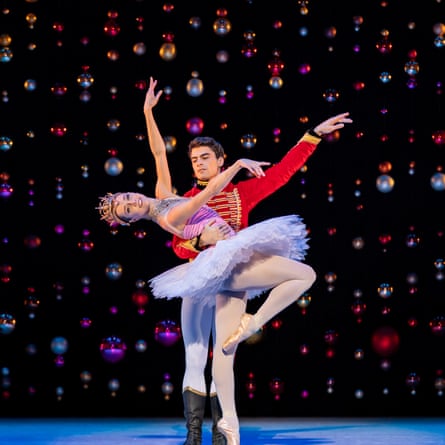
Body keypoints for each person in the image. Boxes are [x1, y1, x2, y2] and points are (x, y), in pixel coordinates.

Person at [98, 77, 353, 445]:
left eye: (206, 158)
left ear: (217, 160)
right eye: (194, 160)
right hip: (210, 269)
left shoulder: (204, 193)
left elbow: (282, 172)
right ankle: (208, 430)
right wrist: (201, 238)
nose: (199, 164)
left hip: (237, 260)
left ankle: (226, 428)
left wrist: (312, 134)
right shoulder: (180, 201)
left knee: (227, 347)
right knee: (202, 350)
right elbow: (180, 247)